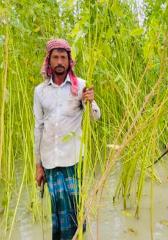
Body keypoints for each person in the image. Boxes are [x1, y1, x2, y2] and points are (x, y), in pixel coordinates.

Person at [34, 38, 101, 239]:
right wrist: (38, 165)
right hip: (49, 160)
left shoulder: (80, 85)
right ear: (49, 61)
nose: (60, 61)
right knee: (58, 208)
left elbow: (96, 117)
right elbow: (38, 127)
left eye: (63, 57)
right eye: (56, 57)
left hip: (72, 158)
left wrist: (90, 103)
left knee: (74, 206)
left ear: (69, 60)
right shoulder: (40, 91)